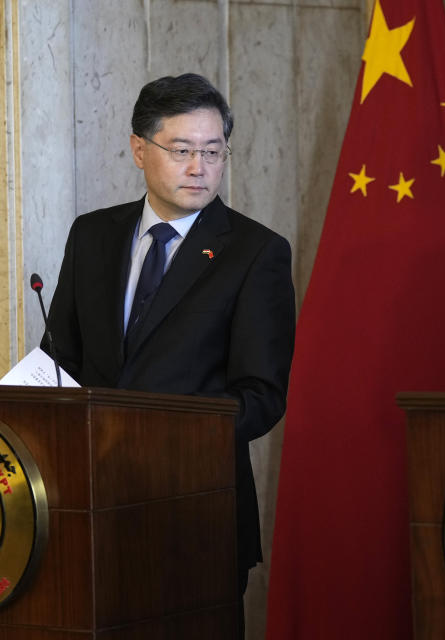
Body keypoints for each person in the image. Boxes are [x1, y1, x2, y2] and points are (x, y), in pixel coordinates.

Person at [43, 73, 296, 632]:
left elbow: (262, 396)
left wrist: (163, 434)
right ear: (140, 149)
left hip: (194, 512)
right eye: (181, 150)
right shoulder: (93, 236)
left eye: (213, 151)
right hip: (88, 508)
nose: (199, 167)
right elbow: (60, 360)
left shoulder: (257, 254)